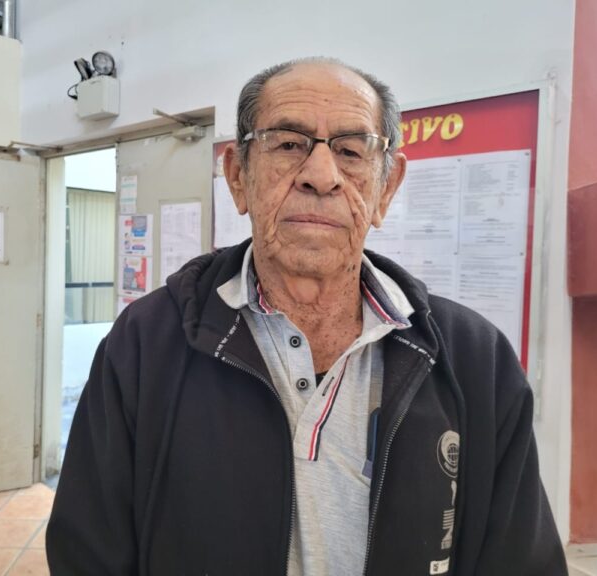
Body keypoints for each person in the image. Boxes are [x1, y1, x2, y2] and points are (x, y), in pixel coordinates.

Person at [46, 57, 567, 575]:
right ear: (238, 177)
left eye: (351, 150)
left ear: (385, 188)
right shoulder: (145, 343)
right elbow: (87, 552)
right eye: (289, 143)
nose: (321, 176)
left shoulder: (476, 359)